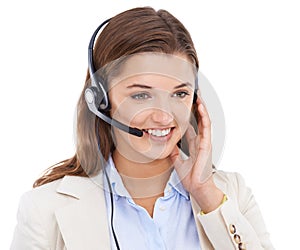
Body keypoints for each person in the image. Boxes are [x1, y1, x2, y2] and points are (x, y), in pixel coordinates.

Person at [10, 6, 274, 250]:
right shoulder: (44, 209)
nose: (163, 117)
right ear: (101, 100)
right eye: (141, 95)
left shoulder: (231, 194)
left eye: (179, 94)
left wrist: (207, 197)